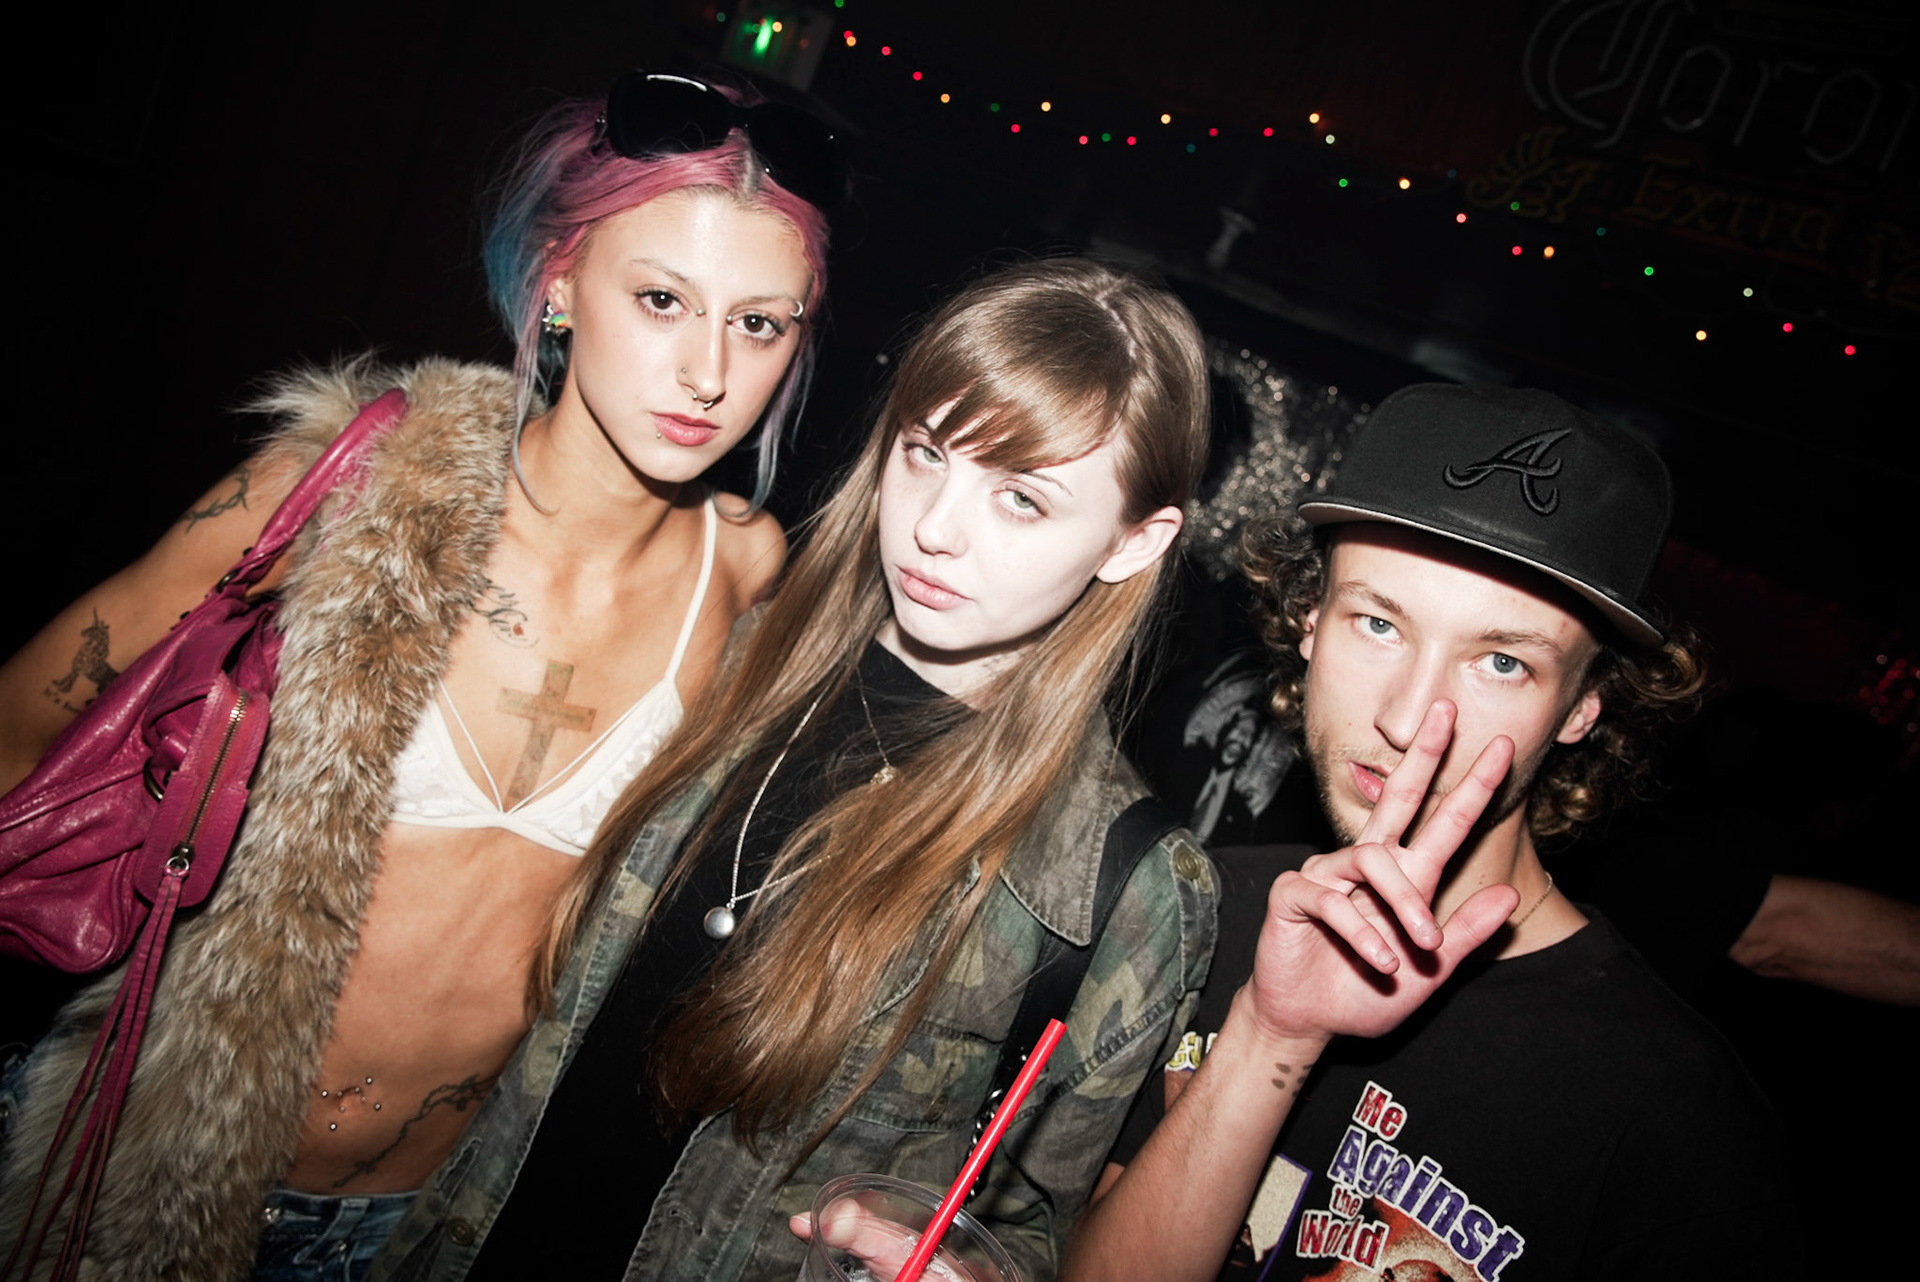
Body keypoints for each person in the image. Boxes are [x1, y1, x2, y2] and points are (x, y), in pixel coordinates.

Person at [0, 71, 840, 1281]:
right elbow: (23, 728)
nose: (708, 372)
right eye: (662, 299)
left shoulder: (749, 577)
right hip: (136, 1173)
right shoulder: (352, 490)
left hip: (422, 1232)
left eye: (761, 324)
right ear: (560, 281)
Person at [371, 259, 1219, 1282]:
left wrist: (980, 1271)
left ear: (1134, 542)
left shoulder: (1124, 883)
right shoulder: (740, 650)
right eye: (926, 453)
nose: (935, 528)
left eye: (1021, 500)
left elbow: (1050, 1231)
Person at [1067, 383, 1799, 1281]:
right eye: (1379, 623)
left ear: (1584, 705)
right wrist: (1268, 1034)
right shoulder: (1195, 911)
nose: (1409, 719)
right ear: (1309, 622)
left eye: (1502, 662)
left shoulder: (1675, 1116)